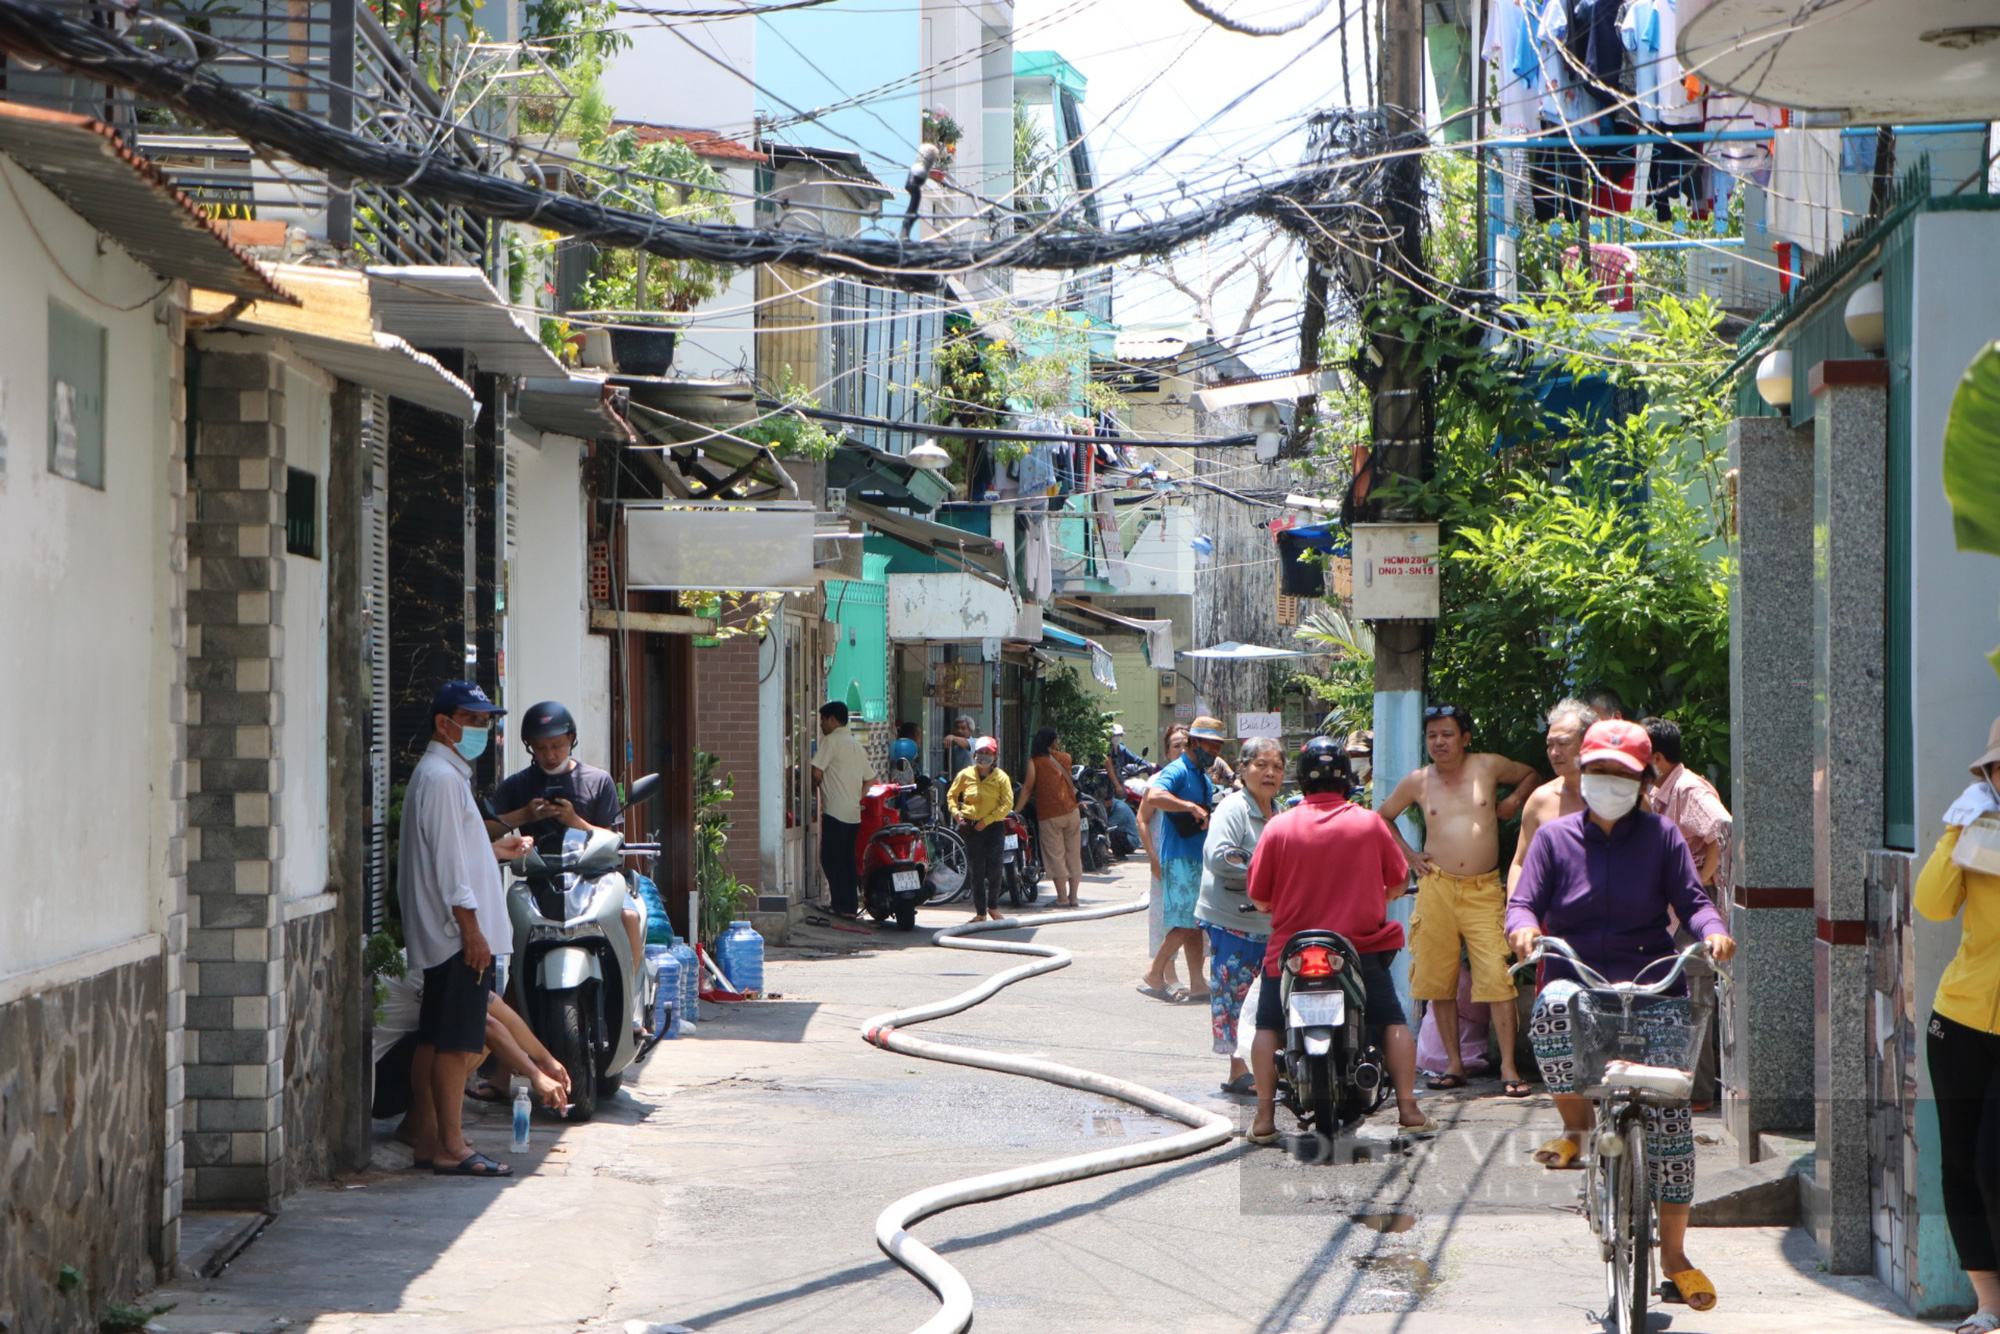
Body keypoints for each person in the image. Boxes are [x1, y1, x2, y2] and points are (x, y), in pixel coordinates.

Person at [1507, 718, 1735, 1313]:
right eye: (1599, 771)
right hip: (1576, 979)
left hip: (1653, 984)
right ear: (1583, 773)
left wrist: (1712, 933)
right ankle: (1579, 1128)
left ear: (1643, 778)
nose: (1610, 782)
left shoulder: (1661, 837)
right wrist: (1524, 929)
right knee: (1550, 1017)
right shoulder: (1555, 839)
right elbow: (1524, 900)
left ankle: (1676, 1255)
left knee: (1673, 1127)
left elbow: (1692, 900)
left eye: (1623, 774)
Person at [1245, 737, 1437, 1142]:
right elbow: (1400, 880)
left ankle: (1263, 1121)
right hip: (1360, 950)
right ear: (1346, 779)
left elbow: (1259, 896)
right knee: (1391, 1020)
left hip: (1292, 954)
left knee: (1268, 1025)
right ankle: (1409, 1109)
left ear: (1301, 780)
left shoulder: (1279, 826)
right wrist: (1384, 893)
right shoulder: (1368, 822)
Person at [398, 680, 532, 1178]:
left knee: (437, 1039)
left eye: (484, 721)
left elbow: (456, 851)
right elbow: (451, 869)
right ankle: (451, 1145)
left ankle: (431, 1138)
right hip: (456, 936)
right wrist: (471, 930)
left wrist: (495, 850)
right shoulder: (441, 778)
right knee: (459, 1043)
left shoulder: (445, 776)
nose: (480, 729)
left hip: (452, 932)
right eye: (472, 720)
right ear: (444, 723)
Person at [1377, 705, 1545, 1096]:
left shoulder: (1487, 766)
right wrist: (1409, 855)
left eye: (1447, 734)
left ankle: (1508, 1066)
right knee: (1439, 978)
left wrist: (1513, 801)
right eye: (1432, 735)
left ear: (1465, 737)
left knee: (1495, 978)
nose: (1439, 742)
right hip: (1436, 887)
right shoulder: (1418, 781)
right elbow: (1383, 817)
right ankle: (1454, 1064)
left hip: (1483, 889)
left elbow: (1530, 774)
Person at [1916, 717, 2000, 1334]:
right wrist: (1956, 832)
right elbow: (1933, 904)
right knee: (1962, 1165)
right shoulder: (1980, 832)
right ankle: (1988, 1306)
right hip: (1961, 1020)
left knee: (1995, 1161)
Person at [487, 700, 645, 993]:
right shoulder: (517, 785)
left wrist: (574, 820)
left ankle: (630, 1002)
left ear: (571, 739)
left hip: (595, 878)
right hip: (539, 881)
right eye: (541, 747)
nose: (549, 755)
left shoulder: (598, 781)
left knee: (629, 916)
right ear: (529, 746)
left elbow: (613, 838)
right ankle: (518, 997)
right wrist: (525, 815)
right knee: (519, 932)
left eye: (557, 746)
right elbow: (483, 829)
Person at [375, 966, 573, 1137]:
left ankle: (422, 1126)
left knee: (481, 1030)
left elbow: (502, 1012)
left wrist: (546, 1059)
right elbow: (486, 1025)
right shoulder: (432, 967)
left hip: (390, 1076)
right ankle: (426, 1129)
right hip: (376, 1087)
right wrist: (535, 1075)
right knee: (471, 1032)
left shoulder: (452, 962)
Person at [1197, 736, 1283, 1094]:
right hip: (1234, 918)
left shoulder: (1281, 812)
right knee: (1235, 992)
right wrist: (1264, 871)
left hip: (1273, 923)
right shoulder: (1233, 808)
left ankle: (1269, 1063)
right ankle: (1238, 1069)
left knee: (1269, 998)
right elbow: (1219, 855)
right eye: (1260, 765)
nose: (1269, 773)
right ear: (1243, 768)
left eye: (1277, 767)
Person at [1136, 716, 1226, 1002]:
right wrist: (1189, 807)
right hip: (1179, 858)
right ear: (1195, 742)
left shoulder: (1200, 773)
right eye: (1211, 745)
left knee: (1196, 922)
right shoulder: (1178, 770)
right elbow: (1155, 797)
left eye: (1218, 746)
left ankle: (1198, 983)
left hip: (1198, 856)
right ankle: (1155, 973)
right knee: (1188, 920)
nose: (1215, 752)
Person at [1506, 699, 1599, 891]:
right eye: (1550, 745)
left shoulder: (1622, 795)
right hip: (1553, 915)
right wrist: (1517, 912)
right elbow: (1520, 864)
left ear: (1588, 743)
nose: (1554, 753)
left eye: (1563, 743)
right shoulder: (1541, 800)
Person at [1137, 725, 1199, 995]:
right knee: (1170, 918)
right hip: (1166, 859)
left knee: (1195, 920)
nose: (1182, 750)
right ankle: (1164, 975)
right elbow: (1142, 819)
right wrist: (1152, 858)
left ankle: (1198, 980)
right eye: (1176, 745)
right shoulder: (1158, 782)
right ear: (1166, 751)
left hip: (1192, 859)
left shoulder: (1195, 778)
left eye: (1186, 744)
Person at [1641, 718, 1730, 889]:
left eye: (1638, 756)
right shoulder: (1658, 791)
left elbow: (1724, 829)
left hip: (1696, 906)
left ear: (1657, 758)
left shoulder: (1688, 789)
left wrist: (1702, 877)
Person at [813, 701, 870, 919]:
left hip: (835, 811)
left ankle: (839, 905)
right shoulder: (855, 744)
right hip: (852, 812)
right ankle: (849, 906)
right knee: (847, 859)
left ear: (832, 719)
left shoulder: (832, 740)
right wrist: (856, 797)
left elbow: (816, 771)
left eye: (822, 720)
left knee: (831, 858)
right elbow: (871, 779)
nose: (821, 725)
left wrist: (816, 786)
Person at [947, 736, 1012, 922]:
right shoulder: (965, 774)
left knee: (995, 867)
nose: (983, 757)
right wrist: (957, 815)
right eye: (980, 753)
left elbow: (1007, 804)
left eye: (988, 753)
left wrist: (988, 820)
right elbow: (952, 795)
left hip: (993, 827)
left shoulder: (1001, 778)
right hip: (971, 827)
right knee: (976, 869)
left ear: (995, 756)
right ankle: (980, 912)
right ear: (974, 754)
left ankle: (993, 907)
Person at [1016, 726, 1082, 909]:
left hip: (1049, 815)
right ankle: (1074, 897)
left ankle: (1062, 899)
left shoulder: (1035, 762)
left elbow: (1028, 788)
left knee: (1056, 856)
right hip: (1072, 811)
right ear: (1053, 742)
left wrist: (1016, 811)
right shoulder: (1066, 758)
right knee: (1073, 854)